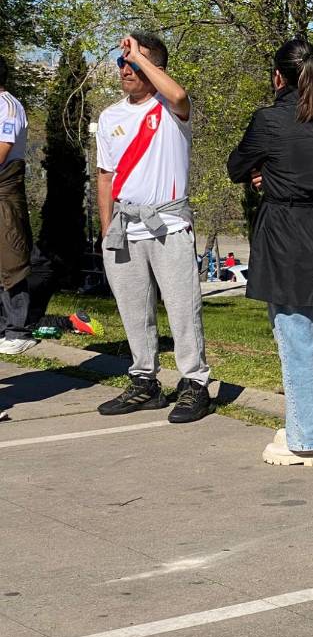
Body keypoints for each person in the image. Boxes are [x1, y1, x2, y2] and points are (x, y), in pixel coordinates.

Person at [227, 37, 313, 467]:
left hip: (288, 232)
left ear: (278, 76)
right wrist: (275, 173)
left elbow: (235, 166)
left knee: (296, 336)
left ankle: (306, 439)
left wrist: (265, 173)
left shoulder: (269, 119)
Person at [94, 33, 213, 423]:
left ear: (154, 68)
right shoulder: (111, 116)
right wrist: (106, 226)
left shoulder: (170, 109)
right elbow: (105, 176)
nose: (125, 69)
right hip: (125, 228)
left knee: (182, 309)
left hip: (169, 225)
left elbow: (179, 96)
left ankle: (194, 384)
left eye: (134, 62)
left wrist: (142, 58)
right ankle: (144, 382)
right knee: (133, 311)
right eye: (122, 62)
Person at [0, 54, 35, 355]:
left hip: (5, 187)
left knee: (11, 257)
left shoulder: (8, 106)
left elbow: (2, 150)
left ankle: (17, 329)